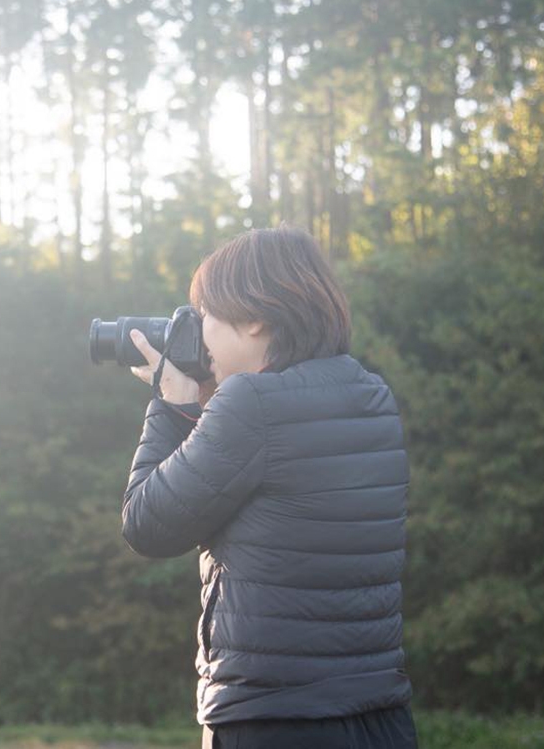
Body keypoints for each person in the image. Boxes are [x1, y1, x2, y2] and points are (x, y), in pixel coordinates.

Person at [122, 224, 418, 749]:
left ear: (255, 316)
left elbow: (147, 524)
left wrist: (170, 404)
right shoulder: (372, 397)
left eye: (208, 315)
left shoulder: (250, 407)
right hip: (377, 714)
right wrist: (206, 408)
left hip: (275, 718)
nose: (201, 332)